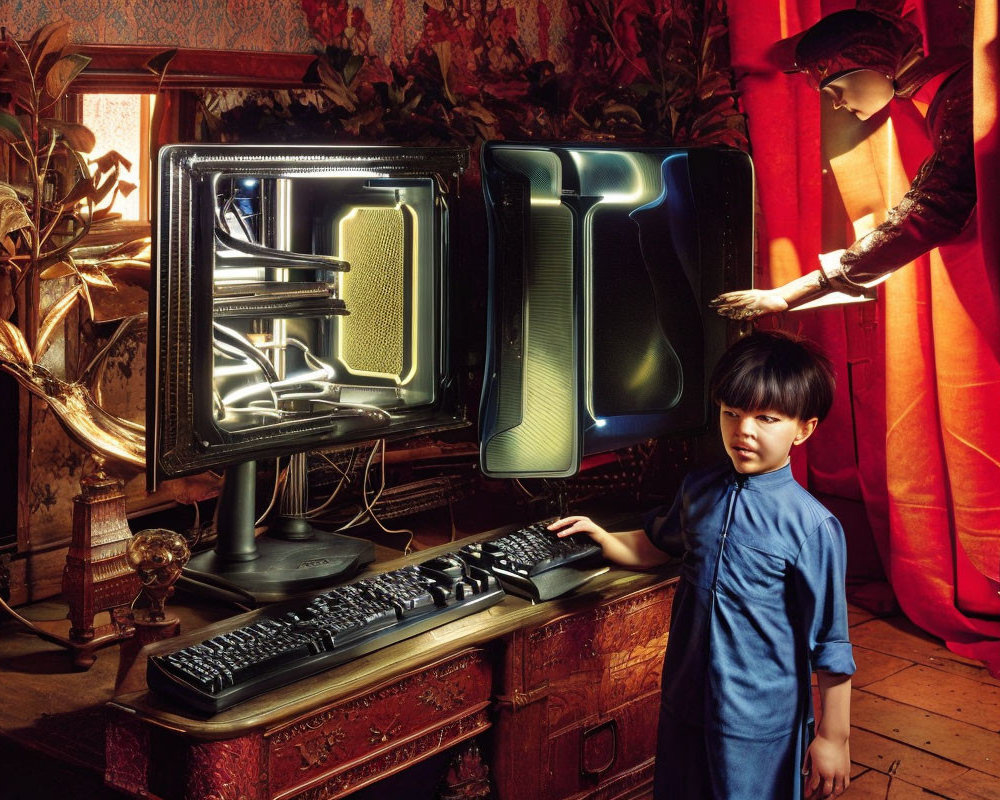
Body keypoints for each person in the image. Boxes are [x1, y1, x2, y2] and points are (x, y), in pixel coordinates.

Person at [549, 330, 855, 800]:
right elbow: (657, 546)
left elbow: (831, 645)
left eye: (767, 418)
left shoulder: (814, 528)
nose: (743, 430)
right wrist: (602, 538)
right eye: (731, 413)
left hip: (760, 722)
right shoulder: (699, 489)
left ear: (804, 428)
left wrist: (834, 738)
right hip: (685, 703)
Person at [710, 8, 974, 320]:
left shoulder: (962, 98)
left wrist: (793, 291)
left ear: (867, 60)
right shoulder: (952, 95)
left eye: (834, 88)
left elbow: (931, 214)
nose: (836, 103)